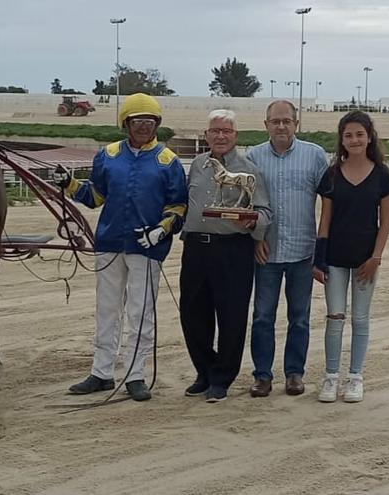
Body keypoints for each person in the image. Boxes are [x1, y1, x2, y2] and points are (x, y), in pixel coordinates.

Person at [52, 93, 188, 402]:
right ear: (126, 123)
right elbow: (95, 196)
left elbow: (178, 206)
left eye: (149, 121)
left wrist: (160, 231)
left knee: (140, 312)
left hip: (147, 249)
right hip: (110, 243)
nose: (144, 126)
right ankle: (101, 372)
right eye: (137, 120)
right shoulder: (108, 155)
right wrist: (69, 184)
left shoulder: (169, 161)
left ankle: (135, 374)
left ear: (157, 124)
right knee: (107, 309)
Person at [180, 109, 272, 403]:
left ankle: (222, 378)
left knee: (232, 316)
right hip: (196, 249)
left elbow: (264, 211)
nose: (220, 136)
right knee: (193, 314)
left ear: (235, 136)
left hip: (232, 249)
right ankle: (205, 371)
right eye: (215, 131)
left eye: (226, 131)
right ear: (206, 135)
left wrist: (253, 224)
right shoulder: (197, 165)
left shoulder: (249, 170)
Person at [247, 100, 329, 397]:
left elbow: (329, 201)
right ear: (266, 124)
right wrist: (256, 238)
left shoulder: (315, 155)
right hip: (266, 252)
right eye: (275, 121)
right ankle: (262, 376)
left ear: (296, 123)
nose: (281, 126)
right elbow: (247, 204)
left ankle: (294, 374)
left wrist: (322, 246)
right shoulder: (253, 157)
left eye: (286, 121)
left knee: (300, 318)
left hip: (303, 252)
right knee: (262, 317)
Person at [313, 110, 389, 403]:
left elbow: (385, 222)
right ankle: (331, 377)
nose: (355, 139)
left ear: (369, 137)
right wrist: (318, 260)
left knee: (360, 319)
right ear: (342, 140)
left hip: (365, 261)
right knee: (335, 318)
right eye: (348, 135)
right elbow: (325, 220)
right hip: (335, 258)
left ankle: (356, 377)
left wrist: (376, 258)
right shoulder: (332, 174)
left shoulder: (381, 174)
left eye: (360, 134)